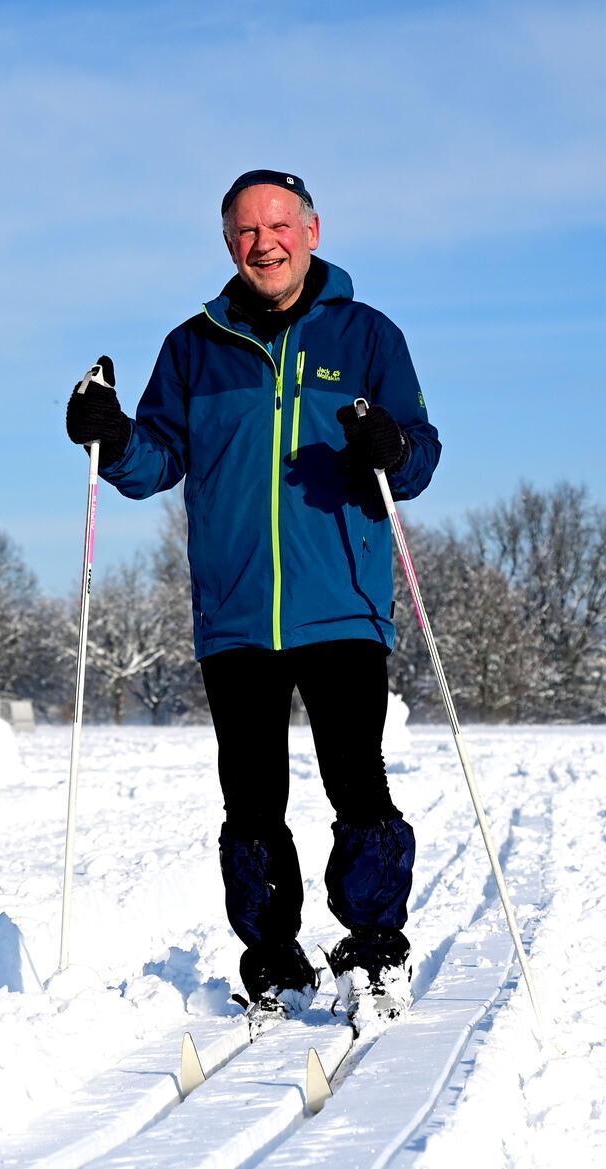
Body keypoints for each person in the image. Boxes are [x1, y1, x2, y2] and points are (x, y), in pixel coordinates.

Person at [63, 169, 441, 1029]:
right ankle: (274, 959)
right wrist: (111, 435)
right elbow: (155, 459)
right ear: (228, 243)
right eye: (244, 230)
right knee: (251, 797)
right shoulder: (195, 346)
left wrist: (390, 442)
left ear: (312, 230)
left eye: (278, 224)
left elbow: (418, 456)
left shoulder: (368, 335)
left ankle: (376, 946)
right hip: (234, 612)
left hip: (341, 600)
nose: (263, 242)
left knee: (357, 782)